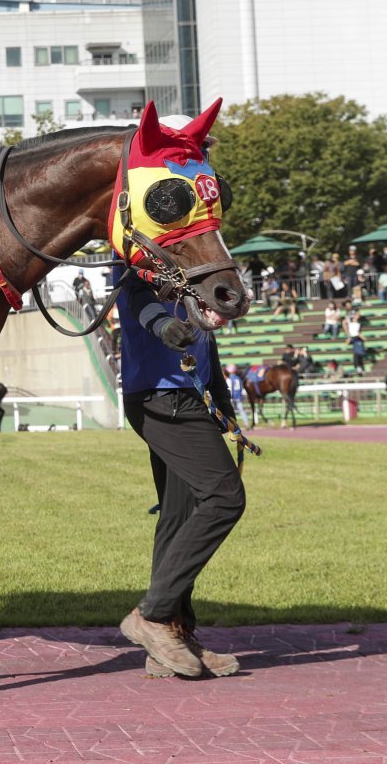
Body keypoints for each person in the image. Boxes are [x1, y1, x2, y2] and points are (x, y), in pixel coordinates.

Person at [114, 269, 245, 679]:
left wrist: (220, 398)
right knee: (225, 497)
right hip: (163, 398)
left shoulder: (189, 259)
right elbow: (137, 298)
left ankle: (172, 635)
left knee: (179, 515)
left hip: (186, 396)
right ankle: (151, 616)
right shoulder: (138, 254)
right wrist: (165, 323)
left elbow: (208, 336)